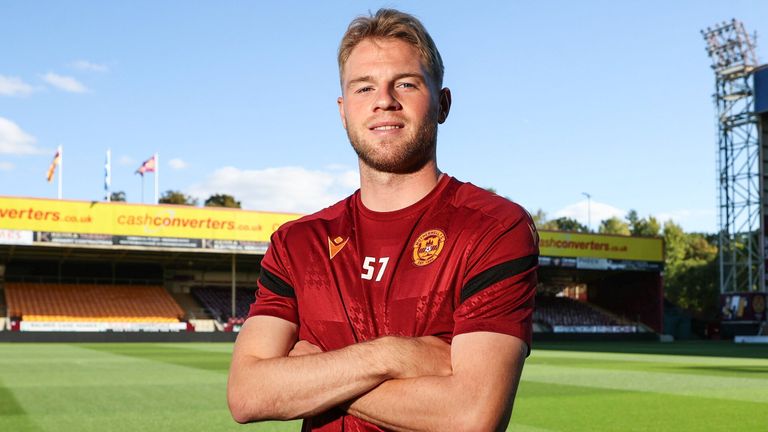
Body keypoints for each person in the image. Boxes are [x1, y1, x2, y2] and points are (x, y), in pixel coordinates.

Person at [227, 8, 538, 431]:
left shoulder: (493, 228)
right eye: (363, 87)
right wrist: (391, 355)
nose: (383, 100)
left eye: (405, 84)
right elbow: (248, 394)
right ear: (343, 110)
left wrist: (315, 370)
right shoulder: (297, 242)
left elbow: (471, 416)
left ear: (443, 103)